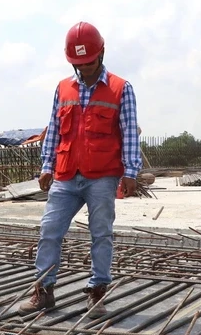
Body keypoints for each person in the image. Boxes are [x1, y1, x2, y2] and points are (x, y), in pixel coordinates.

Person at [18, 21, 142, 318]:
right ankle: (43, 291)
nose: (83, 68)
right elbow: (55, 130)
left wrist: (131, 173)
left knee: (101, 234)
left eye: (87, 62)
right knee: (50, 230)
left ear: (101, 54)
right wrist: (47, 165)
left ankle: (97, 291)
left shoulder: (120, 89)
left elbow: (128, 133)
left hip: (102, 175)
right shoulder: (63, 88)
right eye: (78, 63)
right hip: (66, 173)